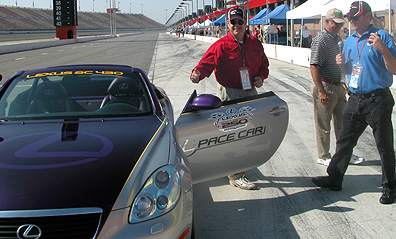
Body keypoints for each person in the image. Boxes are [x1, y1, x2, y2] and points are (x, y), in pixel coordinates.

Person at [312, 1, 396, 204]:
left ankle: (390, 187)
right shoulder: (349, 40)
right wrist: (343, 66)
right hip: (356, 98)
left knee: (384, 145)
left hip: (378, 99)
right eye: (351, 18)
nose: (352, 21)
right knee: (344, 141)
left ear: (368, 16)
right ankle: (334, 178)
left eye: (356, 17)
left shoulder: (382, 37)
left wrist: (382, 49)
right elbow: (350, 72)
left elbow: (394, 69)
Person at [190, 7, 269, 190]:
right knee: (233, 133)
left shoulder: (255, 43)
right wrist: (197, 74)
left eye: (240, 22)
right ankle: (236, 175)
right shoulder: (221, 45)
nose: (237, 25)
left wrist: (261, 77)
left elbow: (264, 64)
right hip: (230, 93)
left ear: (245, 23)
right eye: (233, 22)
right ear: (228, 24)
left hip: (250, 92)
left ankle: (239, 166)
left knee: (250, 131)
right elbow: (206, 64)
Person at [310, 8, 364, 167]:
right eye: (335, 24)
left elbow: (338, 64)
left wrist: (342, 81)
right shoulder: (321, 39)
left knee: (344, 123)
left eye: (340, 24)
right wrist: (321, 91)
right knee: (323, 124)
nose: (339, 27)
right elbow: (314, 66)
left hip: (337, 85)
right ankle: (324, 155)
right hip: (325, 85)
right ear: (327, 22)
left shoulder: (336, 39)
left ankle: (345, 153)